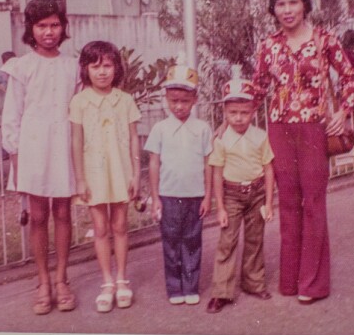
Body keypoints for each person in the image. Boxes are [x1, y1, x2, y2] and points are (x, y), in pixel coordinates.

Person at [252, 0, 354, 305]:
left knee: (313, 204)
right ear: (273, 8)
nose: (287, 9)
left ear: (305, 5)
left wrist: (344, 111)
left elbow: (351, 76)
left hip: (314, 129)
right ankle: (290, 279)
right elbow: (257, 90)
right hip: (280, 130)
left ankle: (312, 284)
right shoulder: (268, 47)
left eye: (293, 2)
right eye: (281, 3)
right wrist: (229, 127)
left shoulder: (325, 40)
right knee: (287, 204)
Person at [1, 0, 78, 315]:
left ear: (63, 27)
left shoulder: (73, 65)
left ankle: (62, 279)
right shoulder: (22, 67)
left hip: (63, 145)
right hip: (32, 149)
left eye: (55, 25)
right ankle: (43, 281)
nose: (49, 32)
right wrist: (16, 161)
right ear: (31, 29)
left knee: (62, 213)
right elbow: (12, 116)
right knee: (37, 216)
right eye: (42, 26)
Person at [70, 40, 141, 313]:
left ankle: (123, 279)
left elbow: (134, 138)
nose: (102, 72)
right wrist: (80, 178)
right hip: (94, 172)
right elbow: (76, 142)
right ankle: (107, 283)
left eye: (108, 65)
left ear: (116, 68)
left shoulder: (125, 100)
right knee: (100, 229)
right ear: (86, 69)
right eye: (95, 66)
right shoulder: (79, 102)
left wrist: (136, 174)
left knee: (120, 226)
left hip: (120, 170)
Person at [205, 71, 275, 314]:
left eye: (244, 113)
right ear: (224, 113)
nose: (238, 118)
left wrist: (268, 202)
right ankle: (221, 292)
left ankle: (253, 283)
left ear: (253, 112)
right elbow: (216, 172)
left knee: (255, 239)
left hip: (256, 193)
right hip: (232, 195)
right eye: (232, 113)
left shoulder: (260, 136)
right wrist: (221, 207)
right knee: (227, 242)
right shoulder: (221, 140)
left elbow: (268, 169)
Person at [144, 58, 212, 306]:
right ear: (166, 99)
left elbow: (208, 164)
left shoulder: (202, 129)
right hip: (168, 196)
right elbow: (153, 163)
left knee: (193, 241)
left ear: (194, 99)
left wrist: (207, 196)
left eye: (185, 101)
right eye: (174, 101)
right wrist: (155, 199)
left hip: (195, 196)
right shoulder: (160, 129)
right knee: (171, 243)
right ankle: (175, 289)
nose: (180, 106)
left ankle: (191, 286)